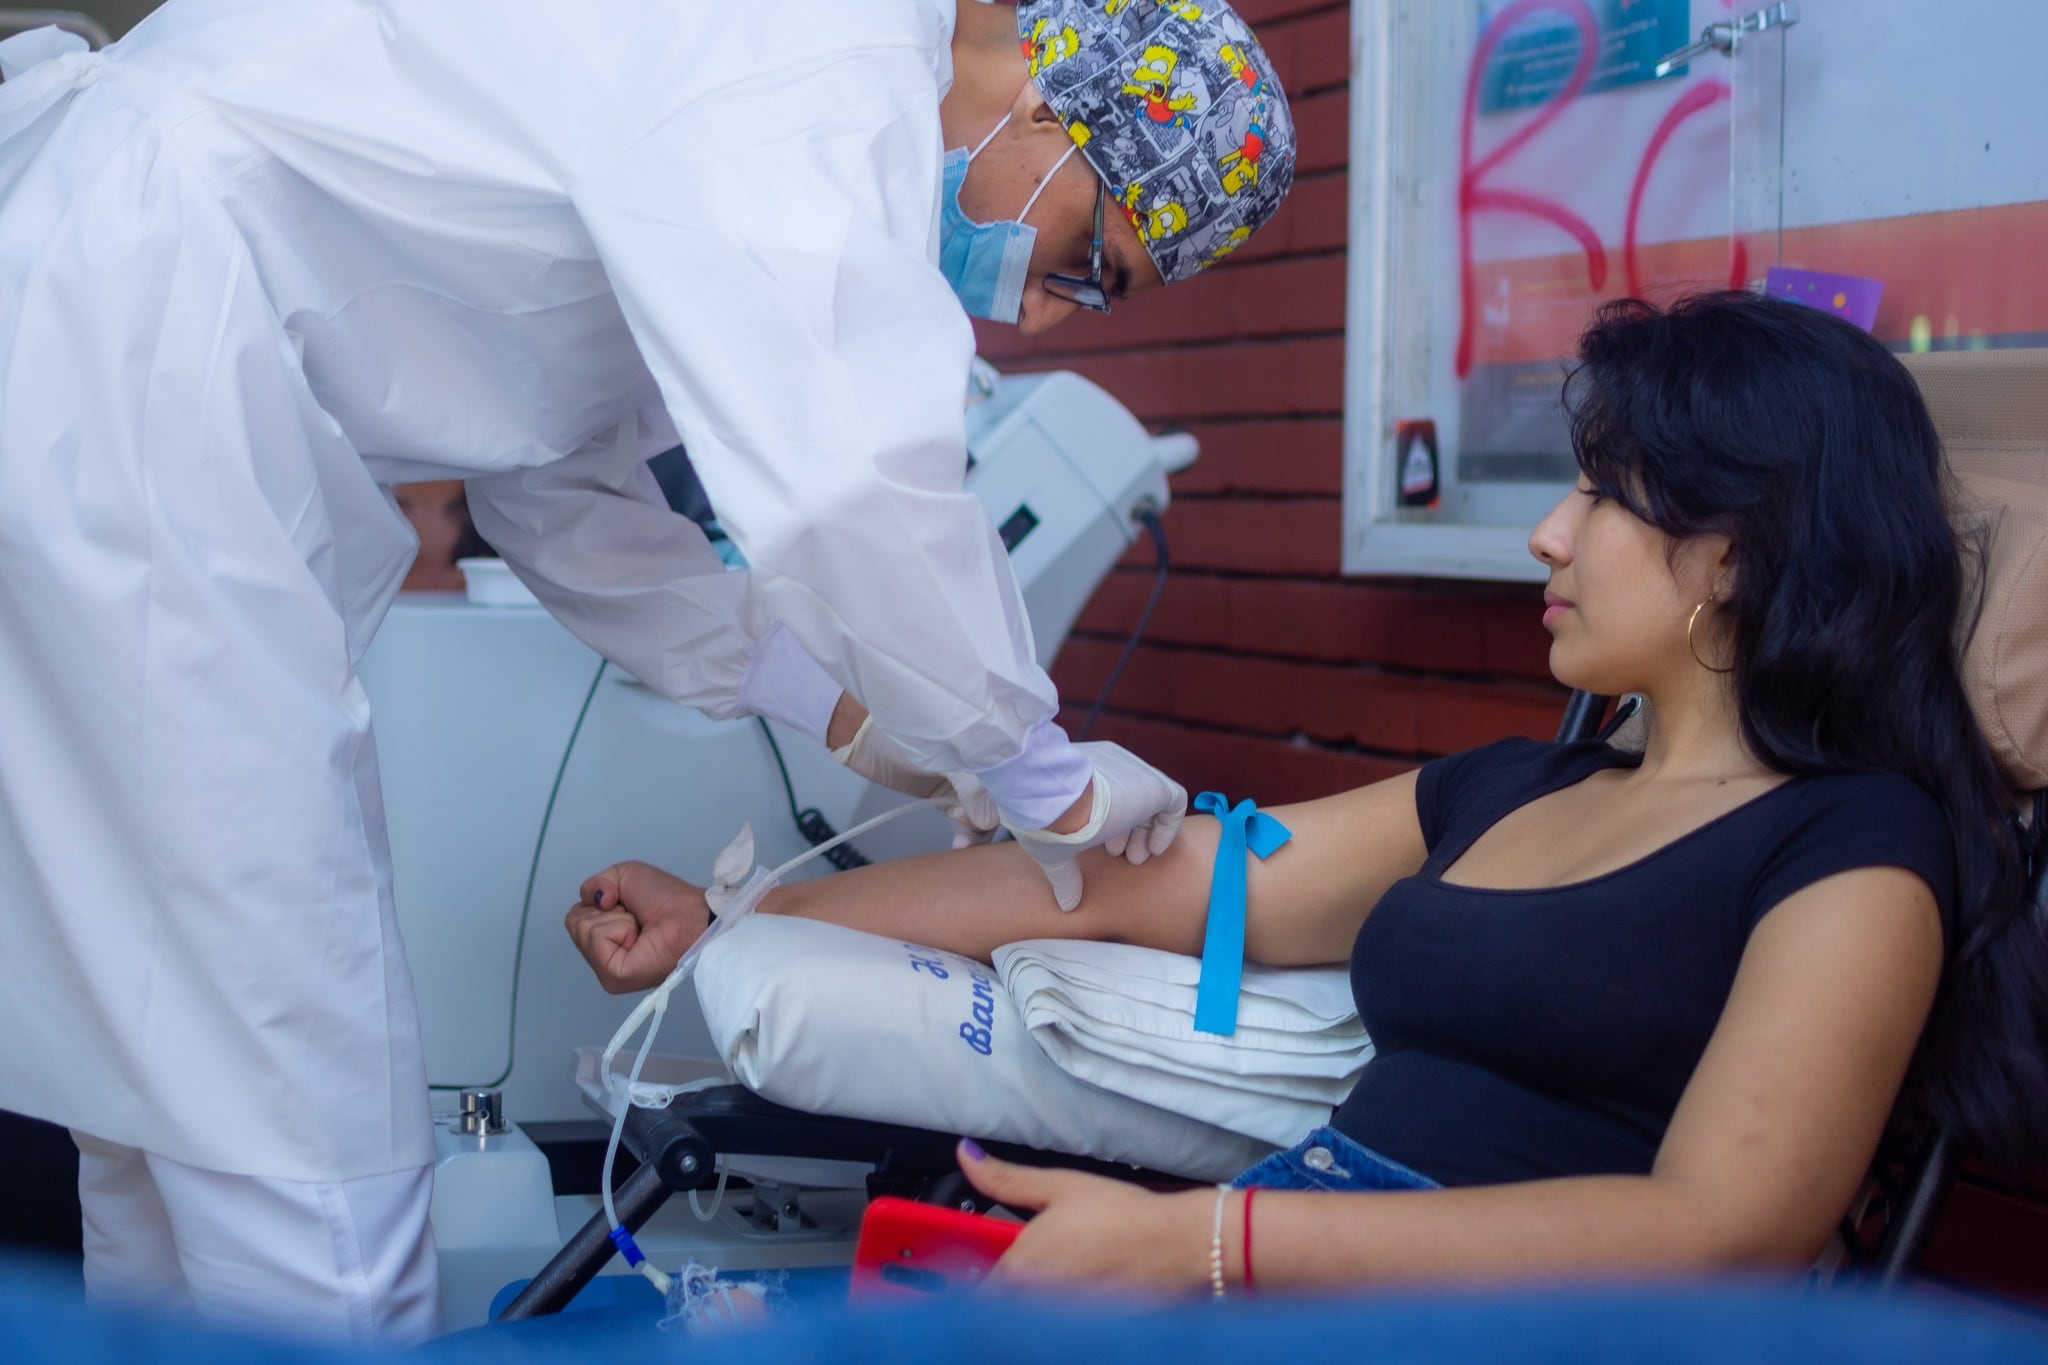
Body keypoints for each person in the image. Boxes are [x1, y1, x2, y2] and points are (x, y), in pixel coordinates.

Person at [0, 0, 1295, 1341]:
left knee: (159, 1034)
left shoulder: (747, 106)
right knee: (283, 1040)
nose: (1035, 309)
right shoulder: (825, 56)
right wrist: (1040, 772)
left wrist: (856, 718)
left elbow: (562, 492)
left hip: (102, 299)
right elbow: (851, 483)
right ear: (1055, 99)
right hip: (145, 317)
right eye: (1089, 261)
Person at [568, 293, 2048, 1294]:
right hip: (1283, 1260)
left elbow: (1719, 1232)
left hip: (1487, 1316)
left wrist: (1209, 1243)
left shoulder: (1858, 843)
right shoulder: (1512, 785)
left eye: (1602, 494)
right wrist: (741, 919)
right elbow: (1125, 881)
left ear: (1735, 548)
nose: (1547, 534)